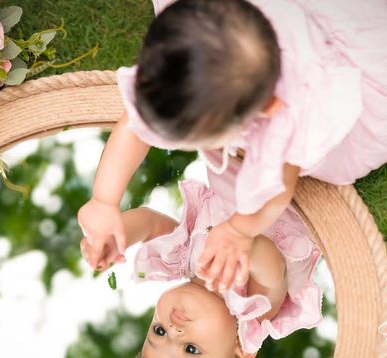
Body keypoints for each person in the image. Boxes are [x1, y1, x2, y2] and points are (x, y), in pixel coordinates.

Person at [78, 0, 387, 291]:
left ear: (266, 108)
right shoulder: (203, 39)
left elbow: (278, 187)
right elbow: (135, 126)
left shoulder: (288, 115)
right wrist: (104, 200)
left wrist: (239, 230)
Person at [81, 166, 322, 358]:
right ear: (241, 348)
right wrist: (239, 237)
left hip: (240, 160)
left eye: (159, 331)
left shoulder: (184, 259)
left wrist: (118, 235)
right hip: (303, 182)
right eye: (191, 349)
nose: (174, 330)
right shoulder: (252, 312)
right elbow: (272, 267)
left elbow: (150, 223)